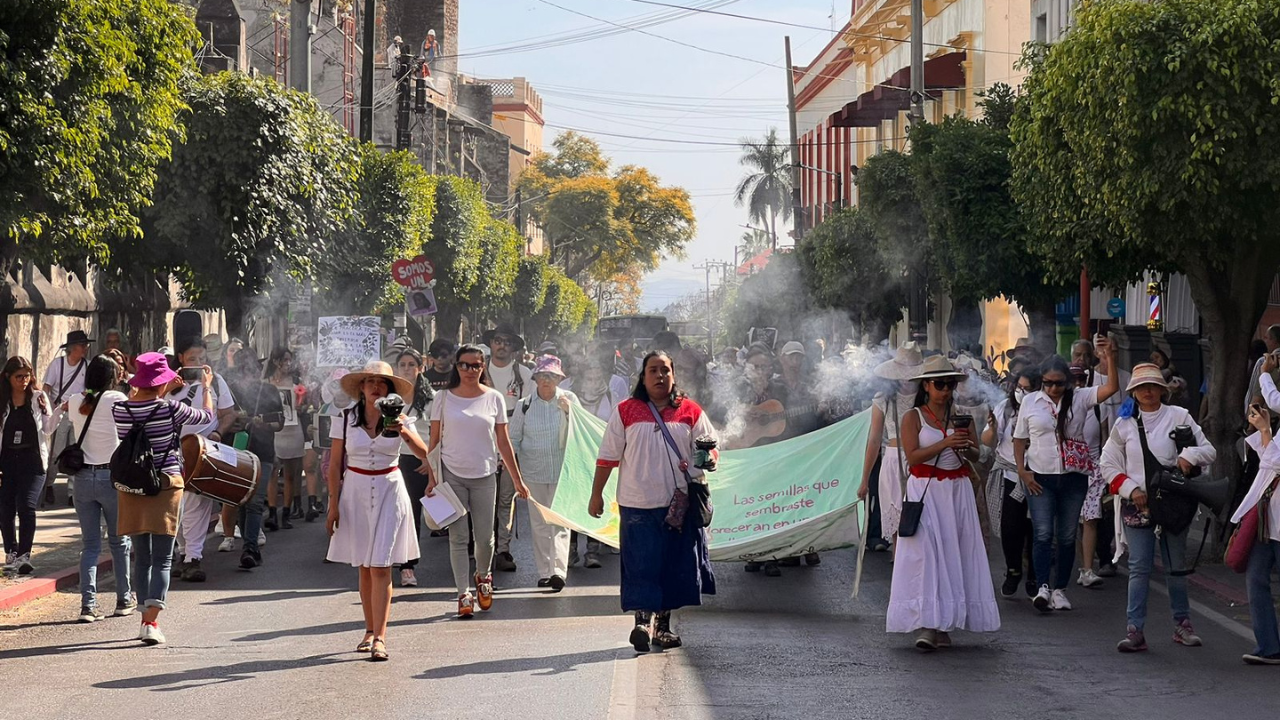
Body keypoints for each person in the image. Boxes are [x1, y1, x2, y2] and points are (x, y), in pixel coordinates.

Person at [589, 350, 718, 653]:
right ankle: (641, 623)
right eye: (653, 370)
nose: (660, 376)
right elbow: (607, 457)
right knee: (641, 565)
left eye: (665, 370)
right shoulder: (626, 411)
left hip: (680, 506)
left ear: (674, 376)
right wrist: (596, 495)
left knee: (672, 566)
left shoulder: (691, 411)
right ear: (643, 377)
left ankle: (662, 628)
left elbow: (711, 450)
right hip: (637, 505)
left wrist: (708, 459)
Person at [1099, 363, 1216, 652]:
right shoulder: (1123, 424)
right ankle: (1135, 630)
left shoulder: (1180, 416)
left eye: (1152, 386)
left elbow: (1208, 450)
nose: (1147, 391)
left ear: (1162, 391)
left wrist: (1188, 456)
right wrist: (1130, 488)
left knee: (1176, 568)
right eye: (1141, 387)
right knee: (1139, 568)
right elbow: (1107, 464)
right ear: (1134, 393)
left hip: (1174, 504)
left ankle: (1182, 625)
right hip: (1137, 504)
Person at [887, 356, 1000, 651]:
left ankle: (944, 622)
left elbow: (976, 456)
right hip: (925, 490)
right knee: (926, 555)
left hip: (956, 490)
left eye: (950, 384)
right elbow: (912, 457)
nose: (945, 390)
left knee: (953, 553)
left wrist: (968, 447)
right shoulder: (913, 417)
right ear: (926, 385)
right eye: (940, 384)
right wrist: (944, 444)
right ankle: (926, 623)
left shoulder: (960, 416)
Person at [325, 361, 427, 661]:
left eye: (382, 382)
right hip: (355, 490)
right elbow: (334, 465)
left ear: (389, 389)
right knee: (365, 566)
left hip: (389, 489)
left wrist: (404, 432)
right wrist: (332, 505)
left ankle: (380, 637)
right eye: (370, 381)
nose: (375, 387)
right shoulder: (344, 418)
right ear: (361, 387)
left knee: (381, 565)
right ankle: (369, 630)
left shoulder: (401, 418)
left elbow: (424, 453)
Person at [114, 352, 215, 645]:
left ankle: (144, 617)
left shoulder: (120, 410)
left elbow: (138, 399)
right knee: (163, 558)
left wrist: (161, 388)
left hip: (131, 487)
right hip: (165, 485)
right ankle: (151, 621)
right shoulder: (171, 410)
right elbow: (207, 417)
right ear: (162, 382)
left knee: (142, 557)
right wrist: (205, 387)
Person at [425, 345, 530, 618]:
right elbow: (433, 442)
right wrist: (433, 477)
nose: (470, 370)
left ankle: (483, 576)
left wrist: (517, 480)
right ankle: (463, 594)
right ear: (456, 366)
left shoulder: (494, 398)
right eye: (464, 365)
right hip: (451, 475)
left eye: (475, 365)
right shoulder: (443, 398)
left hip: (485, 475)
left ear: (483, 367)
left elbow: (503, 442)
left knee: (485, 539)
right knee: (458, 538)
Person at [1014, 344, 1119, 613]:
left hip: (1073, 478)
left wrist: (1110, 359)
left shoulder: (1081, 397)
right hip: (1040, 477)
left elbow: (1110, 390)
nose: (1053, 389)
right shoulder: (1030, 401)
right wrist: (1022, 471)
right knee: (1043, 533)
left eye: (1059, 384)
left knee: (1067, 535)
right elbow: (1019, 438)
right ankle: (1042, 587)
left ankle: (1060, 589)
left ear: (1068, 382)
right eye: (1047, 383)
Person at [67, 355, 135, 621]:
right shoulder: (117, 400)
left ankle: (88, 605)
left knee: (90, 545)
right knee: (119, 542)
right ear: (112, 376)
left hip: (82, 478)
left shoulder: (76, 400)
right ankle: (123, 598)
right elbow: (130, 429)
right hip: (111, 477)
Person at [168, 336, 238, 583]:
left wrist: (219, 432)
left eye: (202, 359)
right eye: (192, 359)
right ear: (180, 359)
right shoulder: (169, 384)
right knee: (176, 506)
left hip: (204, 452)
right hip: (171, 453)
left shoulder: (216, 382)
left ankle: (193, 558)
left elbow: (228, 414)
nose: (198, 363)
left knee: (198, 505)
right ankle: (184, 552)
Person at [510, 356, 579, 591]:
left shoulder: (569, 399)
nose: (546, 380)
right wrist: (514, 472)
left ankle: (558, 571)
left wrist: (570, 413)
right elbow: (514, 438)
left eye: (551, 376)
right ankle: (544, 571)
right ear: (536, 378)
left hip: (562, 471)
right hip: (533, 471)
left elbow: (579, 434)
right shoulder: (524, 404)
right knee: (539, 523)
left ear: (559, 378)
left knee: (560, 522)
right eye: (542, 376)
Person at [858, 343, 925, 553]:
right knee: (896, 519)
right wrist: (864, 479)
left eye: (911, 371)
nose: (906, 376)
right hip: (893, 461)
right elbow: (874, 439)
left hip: (922, 459)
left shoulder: (928, 396)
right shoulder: (883, 398)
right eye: (902, 371)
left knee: (920, 517)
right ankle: (899, 563)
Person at [221, 353, 282, 569]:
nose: (249, 373)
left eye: (252, 368)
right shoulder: (229, 391)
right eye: (244, 368)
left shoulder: (270, 390)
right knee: (241, 500)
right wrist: (234, 421)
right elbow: (221, 419)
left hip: (263, 452)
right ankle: (248, 544)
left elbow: (279, 422)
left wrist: (263, 423)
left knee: (255, 501)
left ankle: (250, 548)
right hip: (236, 451)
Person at [982, 368, 1039, 599]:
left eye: (1028, 389)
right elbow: (987, 440)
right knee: (1010, 527)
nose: (1022, 393)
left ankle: (1035, 574)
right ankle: (1013, 569)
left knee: (1036, 529)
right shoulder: (1005, 408)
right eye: (1020, 388)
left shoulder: (1044, 409)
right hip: (1010, 474)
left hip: (1037, 476)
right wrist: (993, 428)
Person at [1, 357, 57, 575]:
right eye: (19, 377)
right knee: (6, 509)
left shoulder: (38, 397)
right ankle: (11, 551)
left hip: (32, 460)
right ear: (8, 377)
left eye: (27, 375)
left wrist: (53, 411)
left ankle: (25, 554)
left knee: (27, 505)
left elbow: (48, 429)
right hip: (6, 461)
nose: (24, 381)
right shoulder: (2, 400)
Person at [484, 325, 534, 572]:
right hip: (481, 443)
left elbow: (529, 410)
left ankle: (502, 549)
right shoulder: (479, 370)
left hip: (511, 444)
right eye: (497, 340)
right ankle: (482, 546)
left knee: (505, 499)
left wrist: (517, 446)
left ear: (513, 348)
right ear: (491, 344)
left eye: (506, 341)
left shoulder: (523, 374)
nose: (501, 345)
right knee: (481, 500)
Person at [1236, 402, 1280, 665]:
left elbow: (1274, 461)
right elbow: (1268, 461)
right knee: (1255, 579)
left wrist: (1265, 430)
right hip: (1268, 518)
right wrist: (1264, 430)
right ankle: (1269, 646)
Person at [393, 348, 434, 587]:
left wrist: (430, 462)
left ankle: (409, 565)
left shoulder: (432, 399)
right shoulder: (390, 398)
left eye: (411, 364)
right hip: (395, 462)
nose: (407, 369)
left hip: (421, 462)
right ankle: (395, 561)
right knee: (397, 514)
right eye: (402, 365)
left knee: (415, 514)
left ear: (421, 368)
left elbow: (440, 435)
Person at [41, 329, 92, 507]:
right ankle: (49, 484)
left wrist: (86, 396)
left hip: (78, 413)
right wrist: (50, 408)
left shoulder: (87, 366)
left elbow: (92, 389)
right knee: (57, 450)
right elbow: (46, 388)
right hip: (60, 411)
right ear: (72, 348)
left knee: (75, 451)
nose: (85, 348)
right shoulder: (57, 365)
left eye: (85, 345)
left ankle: (72, 491)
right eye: (81, 345)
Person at [264, 347, 305, 532]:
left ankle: (286, 513)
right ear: (276, 362)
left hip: (293, 429)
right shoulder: (266, 383)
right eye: (285, 360)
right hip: (274, 430)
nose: (288, 364)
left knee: (290, 473)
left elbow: (303, 406)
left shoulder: (297, 383)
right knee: (273, 472)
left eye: (290, 360)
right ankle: (272, 512)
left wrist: (301, 405)